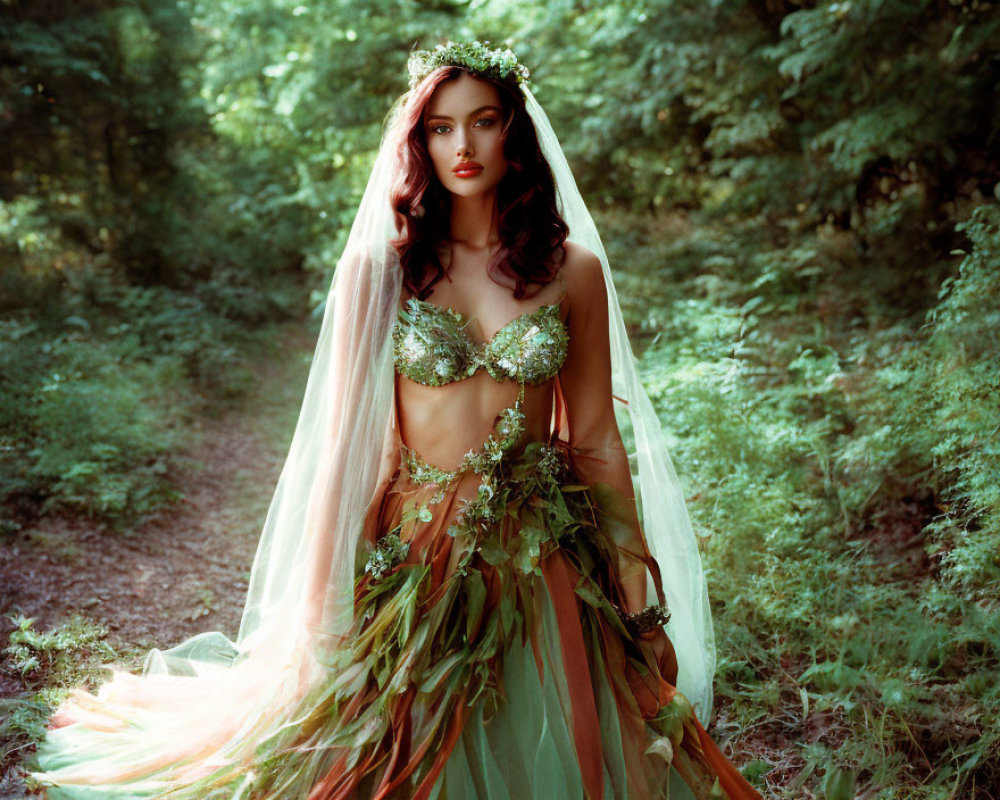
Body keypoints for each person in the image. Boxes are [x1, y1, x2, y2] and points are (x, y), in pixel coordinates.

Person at [32, 41, 762, 799]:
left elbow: (597, 440)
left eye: (483, 122)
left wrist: (640, 595)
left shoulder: (570, 268)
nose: (464, 146)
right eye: (441, 128)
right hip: (415, 554)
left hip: (546, 551)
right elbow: (346, 447)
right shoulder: (382, 268)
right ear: (418, 141)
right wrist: (321, 608)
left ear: (514, 131)